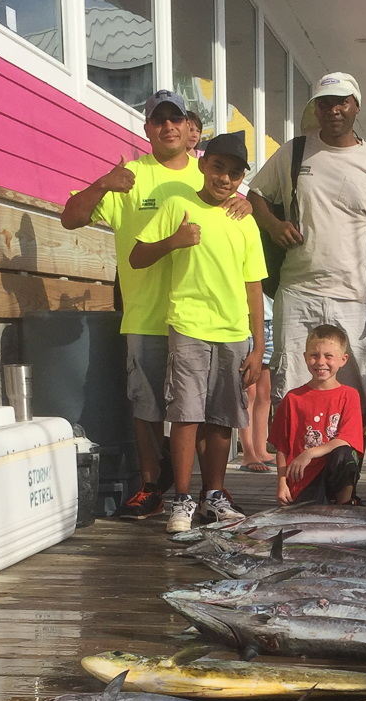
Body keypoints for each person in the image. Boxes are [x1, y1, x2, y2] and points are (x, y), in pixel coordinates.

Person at [60, 90, 251, 520]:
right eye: (158, 119)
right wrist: (102, 184)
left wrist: (248, 201)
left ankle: (210, 494)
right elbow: (70, 217)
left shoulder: (209, 175)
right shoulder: (129, 174)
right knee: (147, 407)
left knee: (199, 411)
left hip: (203, 318)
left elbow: (238, 213)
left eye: (176, 119)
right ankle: (152, 487)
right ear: (147, 129)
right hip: (146, 312)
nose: (168, 126)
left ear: (190, 131)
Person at [129, 131, 266, 533]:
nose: (224, 178)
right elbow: (137, 256)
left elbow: (254, 286)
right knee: (185, 415)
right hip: (187, 326)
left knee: (222, 417)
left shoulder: (244, 219)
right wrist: (174, 241)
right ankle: (182, 500)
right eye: (218, 167)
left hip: (233, 332)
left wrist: (258, 347)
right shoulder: (177, 205)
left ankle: (214, 496)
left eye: (235, 173)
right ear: (203, 164)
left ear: (242, 178)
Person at [248, 72, 366, 422]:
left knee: (363, 390)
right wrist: (273, 226)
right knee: (290, 389)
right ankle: (289, 477)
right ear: (316, 110)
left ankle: (349, 469)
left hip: (353, 297)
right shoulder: (294, 151)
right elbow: (256, 194)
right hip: (297, 291)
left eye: (341, 102)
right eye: (325, 103)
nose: (334, 110)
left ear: (356, 107)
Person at [269, 325, 363, 506]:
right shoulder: (293, 398)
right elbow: (282, 446)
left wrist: (310, 453)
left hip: (332, 471)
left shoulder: (349, 395)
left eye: (329, 356)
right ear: (305, 357)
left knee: (345, 454)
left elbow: (347, 440)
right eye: (314, 355)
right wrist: (282, 482)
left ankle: (345, 507)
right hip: (302, 478)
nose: (321, 362)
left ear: (343, 359)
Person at [238, 293, 275, 473]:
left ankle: (261, 448)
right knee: (248, 392)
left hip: (272, 317)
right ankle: (248, 452)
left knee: (265, 391)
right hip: (247, 319)